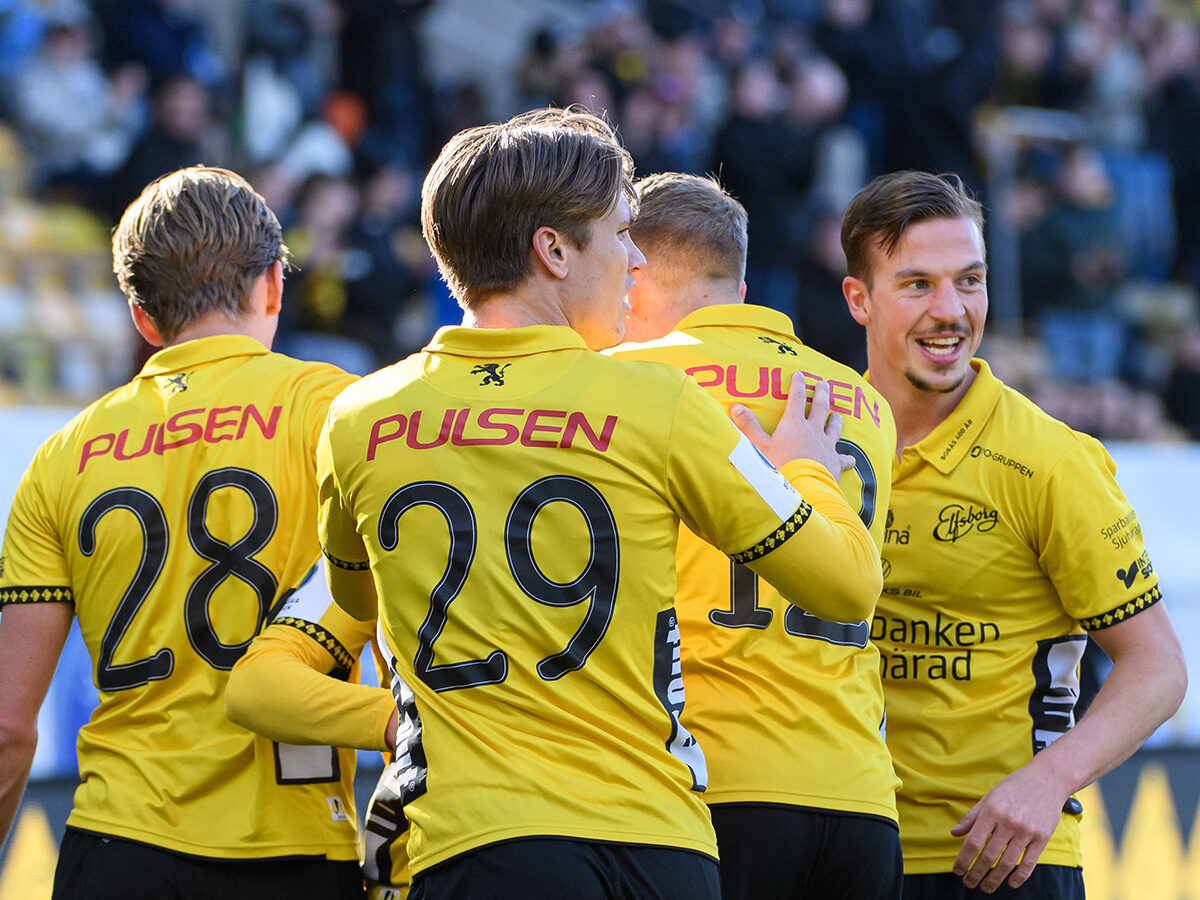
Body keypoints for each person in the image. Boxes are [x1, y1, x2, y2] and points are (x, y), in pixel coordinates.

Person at [315, 107, 883, 900]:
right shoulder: (661, 402)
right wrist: (806, 474)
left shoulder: (358, 417)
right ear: (553, 250)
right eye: (620, 233)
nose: (635, 257)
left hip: (477, 840)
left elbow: (358, 603)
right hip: (654, 844)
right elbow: (848, 585)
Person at [0, 166, 385, 900]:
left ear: (142, 319)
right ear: (273, 284)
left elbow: (8, 728)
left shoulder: (61, 456)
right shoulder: (342, 410)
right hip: (292, 845)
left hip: (115, 843)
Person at [840, 170, 1187, 898]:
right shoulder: (815, 435)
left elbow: (1158, 668)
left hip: (1003, 861)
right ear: (858, 299)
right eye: (918, 285)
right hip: (848, 851)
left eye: (970, 281)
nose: (951, 311)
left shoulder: (1051, 460)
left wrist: (1049, 780)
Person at [606, 171, 901, 900]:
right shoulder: (865, 401)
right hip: (861, 793)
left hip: (711, 781)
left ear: (632, 280)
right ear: (738, 289)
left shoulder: (625, 386)